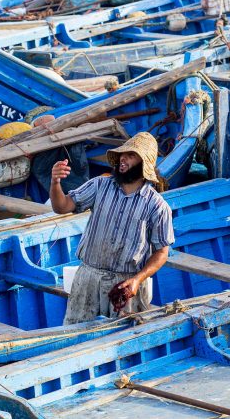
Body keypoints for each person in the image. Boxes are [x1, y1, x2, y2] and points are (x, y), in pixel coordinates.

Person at [49, 132, 175, 324]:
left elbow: (161, 253)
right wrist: (55, 182)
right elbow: (62, 206)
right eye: (122, 154)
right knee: (75, 335)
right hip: (88, 277)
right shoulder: (100, 185)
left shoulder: (157, 206)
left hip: (125, 284)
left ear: (144, 164)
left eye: (131, 155)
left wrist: (137, 280)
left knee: (125, 340)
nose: (123, 159)